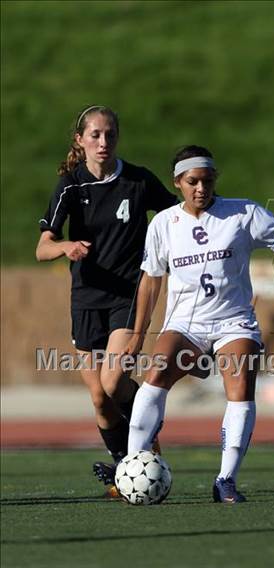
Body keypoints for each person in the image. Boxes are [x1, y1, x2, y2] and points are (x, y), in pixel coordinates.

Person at [123, 144, 274, 503]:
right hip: (185, 325)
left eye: (207, 180)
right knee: (155, 376)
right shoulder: (163, 224)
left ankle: (225, 481)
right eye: (192, 182)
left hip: (233, 321)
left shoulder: (242, 213)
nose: (201, 188)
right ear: (177, 183)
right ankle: (131, 466)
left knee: (240, 383)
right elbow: (151, 280)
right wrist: (138, 334)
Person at [35, 105, 178, 494]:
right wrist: (65, 246)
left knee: (114, 382)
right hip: (85, 299)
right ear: (80, 141)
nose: (103, 142)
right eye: (95, 135)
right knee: (99, 399)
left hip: (127, 294)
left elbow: (177, 217)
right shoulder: (71, 185)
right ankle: (125, 469)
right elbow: (41, 248)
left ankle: (148, 430)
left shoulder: (137, 181)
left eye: (110, 134)